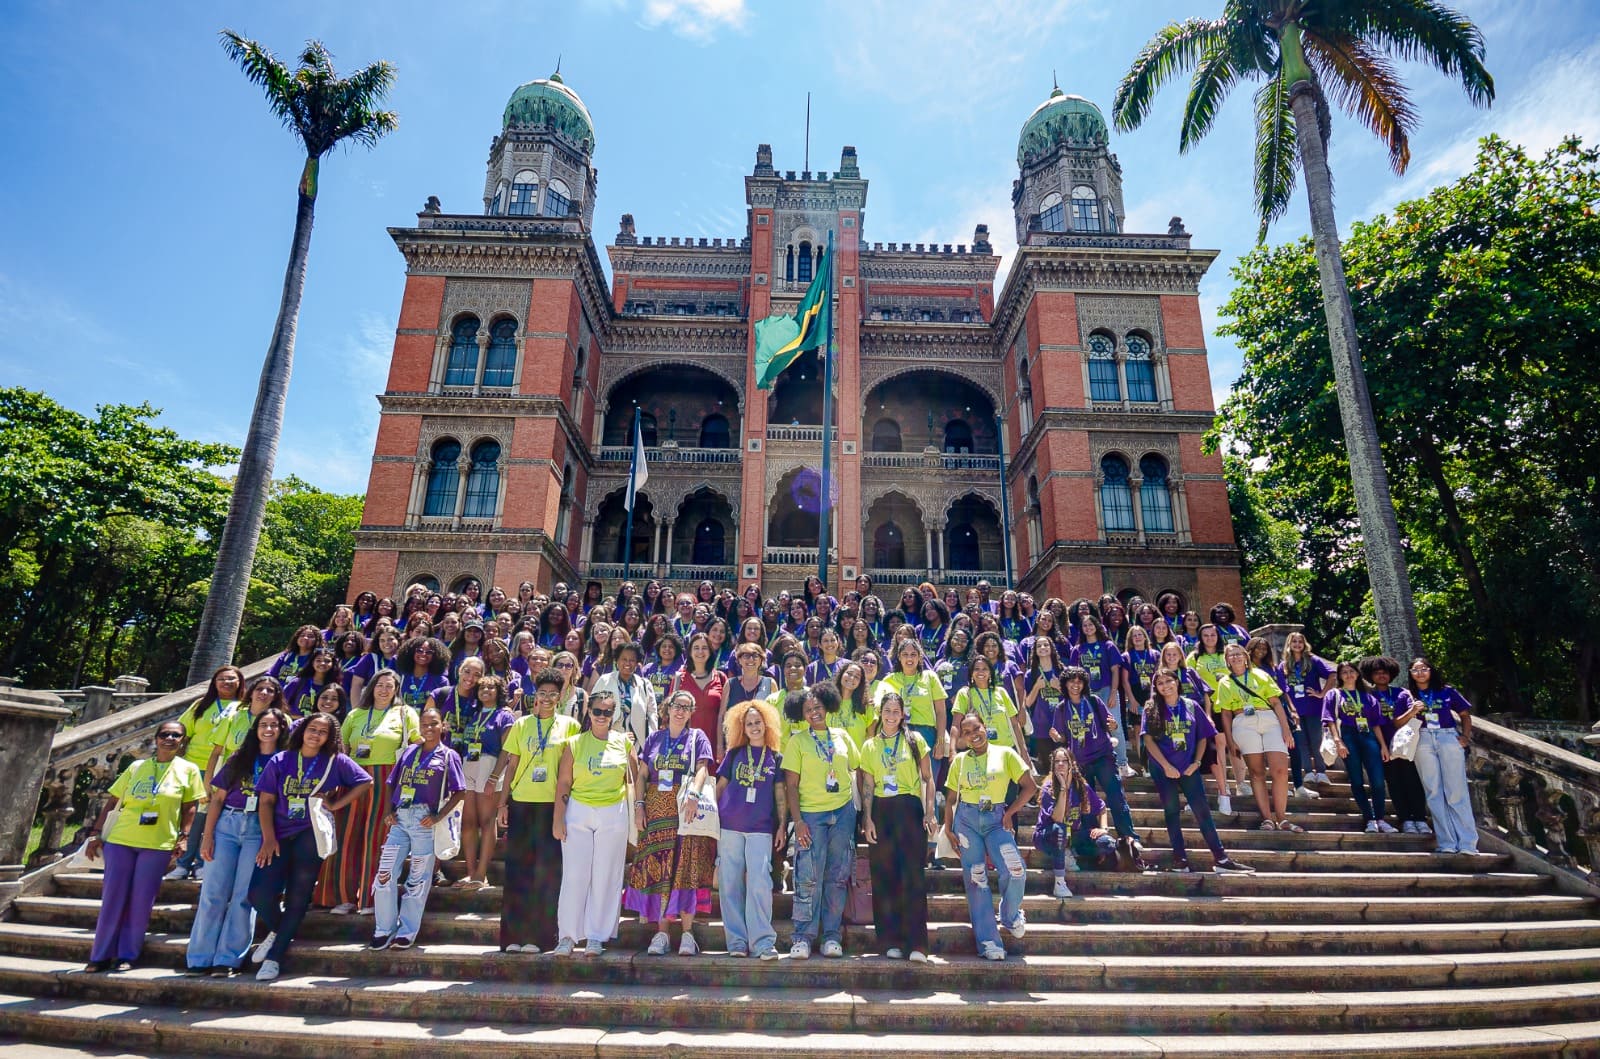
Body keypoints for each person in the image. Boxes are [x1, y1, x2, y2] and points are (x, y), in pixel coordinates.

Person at [247, 713, 371, 981]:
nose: (316, 735)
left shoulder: (335, 761)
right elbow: (266, 801)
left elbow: (365, 781)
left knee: (298, 898)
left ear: (330, 737)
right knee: (258, 893)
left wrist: (336, 805)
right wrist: (268, 839)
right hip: (278, 833)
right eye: (312, 729)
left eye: (322, 732)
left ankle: (275, 957)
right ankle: (279, 930)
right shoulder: (281, 759)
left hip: (311, 832)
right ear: (302, 730)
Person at [79, 720, 207, 972]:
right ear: (156, 738)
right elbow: (113, 801)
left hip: (158, 842)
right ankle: (100, 954)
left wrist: (183, 837)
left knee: (141, 901)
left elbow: (190, 807)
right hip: (121, 839)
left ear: (183, 741)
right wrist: (95, 833)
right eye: (165, 734)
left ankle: (127, 954)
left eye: (176, 735)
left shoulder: (189, 769)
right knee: (112, 898)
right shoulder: (137, 766)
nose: (170, 738)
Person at [186, 707, 289, 975]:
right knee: (213, 893)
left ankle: (228, 958)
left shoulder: (286, 761)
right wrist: (207, 837)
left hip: (259, 827)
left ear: (281, 730)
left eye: (274, 725)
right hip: (228, 825)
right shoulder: (240, 758)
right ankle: (199, 957)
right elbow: (217, 799)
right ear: (255, 730)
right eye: (263, 724)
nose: (268, 730)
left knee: (244, 895)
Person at [493, 668, 581, 953]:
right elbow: (512, 766)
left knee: (547, 873)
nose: (546, 699)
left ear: (561, 696)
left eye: (552, 694)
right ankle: (513, 937)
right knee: (518, 872)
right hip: (521, 805)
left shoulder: (570, 726)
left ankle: (541, 937)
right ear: (535, 694)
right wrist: (502, 803)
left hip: (551, 808)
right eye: (542, 693)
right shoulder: (521, 725)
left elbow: (570, 772)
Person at [322, 670, 421, 914]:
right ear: (371, 688)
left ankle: (370, 898)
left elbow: (416, 744)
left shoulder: (405, 713)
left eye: (390, 686)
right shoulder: (355, 714)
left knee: (377, 838)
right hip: (353, 778)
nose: (384, 690)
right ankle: (344, 897)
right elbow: (341, 746)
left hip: (387, 778)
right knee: (347, 836)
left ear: (396, 690)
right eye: (379, 685)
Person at [626, 690, 717, 955]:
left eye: (686, 707)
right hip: (655, 814)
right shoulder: (655, 737)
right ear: (667, 708)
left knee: (685, 867)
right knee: (660, 870)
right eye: (676, 705)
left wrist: (694, 795)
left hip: (685, 812)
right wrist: (639, 806)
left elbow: (703, 768)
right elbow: (643, 775)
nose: (680, 711)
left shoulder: (697, 737)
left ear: (691, 712)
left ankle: (688, 934)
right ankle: (662, 933)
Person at [370, 706, 467, 950]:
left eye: (434, 723)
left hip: (425, 819)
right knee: (385, 874)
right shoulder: (409, 751)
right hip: (400, 819)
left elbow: (460, 791)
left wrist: (438, 817)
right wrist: (389, 811)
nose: (429, 728)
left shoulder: (448, 755)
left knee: (418, 879)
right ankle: (384, 928)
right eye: (425, 724)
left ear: (443, 725)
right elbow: (393, 782)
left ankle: (407, 930)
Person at [943, 713, 1037, 961]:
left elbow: (1030, 787)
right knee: (977, 879)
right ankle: (988, 942)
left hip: (997, 819)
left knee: (1016, 869)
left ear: (985, 727)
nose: (974, 734)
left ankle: (1010, 914)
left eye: (977, 728)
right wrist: (949, 829)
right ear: (962, 737)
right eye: (967, 731)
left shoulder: (1005, 753)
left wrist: (1011, 812)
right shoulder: (960, 761)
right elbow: (951, 799)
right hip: (967, 821)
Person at [1142, 671, 1255, 874]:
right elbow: (1148, 739)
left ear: (1177, 682)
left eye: (1169, 680)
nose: (1165, 685)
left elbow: (1203, 737)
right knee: (1172, 812)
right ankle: (1180, 860)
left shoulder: (1191, 705)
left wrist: (1196, 762)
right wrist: (1166, 766)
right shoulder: (1151, 708)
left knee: (1202, 811)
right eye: (1160, 683)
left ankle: (1220, 858)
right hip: (1163, 768)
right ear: (1156, 687)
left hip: (1188, 767)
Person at [553, 690, 639, 956]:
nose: (602, 716)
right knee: (575, 875)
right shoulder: (575, 743)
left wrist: (637, 811)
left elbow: (635, 778)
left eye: (607, 712)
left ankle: (596, 936)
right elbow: (564, 782)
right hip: (578, 811)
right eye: (597, 711)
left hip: (614, 811)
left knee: (606, 875)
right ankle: (567, 935)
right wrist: (558, 818)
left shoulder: (624, 743)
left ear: (614, 715)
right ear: (589, 712)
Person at [783, 688, 861, 960]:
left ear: (827, 706)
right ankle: (803, 936)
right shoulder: (797, 741)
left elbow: (856, 768)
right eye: (807, 710)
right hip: (812, 816)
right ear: (801, 715)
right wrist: (798, 821)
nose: (814, 712)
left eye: (818, 707)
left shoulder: (842, 736)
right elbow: (791, 786)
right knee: (807, 877)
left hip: (842, 813)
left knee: (837, 877)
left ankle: (831, 936)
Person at [857, 692, 935, 962]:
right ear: (880, 713)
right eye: (887, 711)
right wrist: (867, 818)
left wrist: (929, 811)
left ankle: (917, 944)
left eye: (895, 711)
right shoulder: (870, 746)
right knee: (884, 877)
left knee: (912, 877)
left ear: (903, 714)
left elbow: (928, 778)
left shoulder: (915, 740)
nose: (891, 716)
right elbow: (867, 784)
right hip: (881, 810)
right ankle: (890, 940)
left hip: (909, 810)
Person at [715, 699, 787, 960]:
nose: (754, 727)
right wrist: (713, 822)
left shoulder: (776, 757)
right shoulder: (734, 754)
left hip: (760, 828)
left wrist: (781, 825)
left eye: (758, 722)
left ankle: (763, 943)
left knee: (759, 883)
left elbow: (780, 795)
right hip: (730, 826)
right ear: (741, 728)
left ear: (766, 724)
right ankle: (736, 942)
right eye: (749, 723)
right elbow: (719, 787)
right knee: (729, 884)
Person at [1051, 666, 1141, 869]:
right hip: (1079, 762)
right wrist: (1057, 737)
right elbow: (1062, 737)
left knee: (1116, 796)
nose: (1075, 685)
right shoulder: (1061, 708)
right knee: (1086, 804)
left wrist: (1114, 727)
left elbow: (1110, 724)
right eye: (1071, 681)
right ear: (1065, 684)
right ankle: (1095, 843)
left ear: (1084, 684)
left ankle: (1129, 836)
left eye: (1079, 681)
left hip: (1102, 756)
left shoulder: (1093, 701)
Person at [435, 664, 515, 889]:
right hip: (468, 766)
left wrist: (494, 777)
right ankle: (470, 873)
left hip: (490, 767)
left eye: (491, 688)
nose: (485, 692)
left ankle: (482, 874)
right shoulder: (473, 713)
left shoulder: (504, 715)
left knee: (487, 821)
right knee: (468, 822)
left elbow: (507, 751)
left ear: (499, 692)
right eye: (482, 689)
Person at [1212, 643, 1299, 833]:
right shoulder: (1224, 682)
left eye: (1238, 654)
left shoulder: (1260, 674)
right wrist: (1230, 739)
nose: (1235, 657)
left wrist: (1286, 729)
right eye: (1230, 655)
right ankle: (1267, 818)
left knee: (1280, 770)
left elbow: (1276, 703)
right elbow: (1225, 714)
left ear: (1245, 656)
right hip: (1243, 721)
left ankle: (1282, 817)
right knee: (1257, 772)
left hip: (1268, 718)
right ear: (1226, 660)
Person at [170, 665, 245, 881]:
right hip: (192, 767)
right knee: (191, 817)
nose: (226, 682)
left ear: (240, 682)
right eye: (222, 679)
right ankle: (182, 863)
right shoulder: (201, 705)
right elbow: (182, 731)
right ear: (214, 682)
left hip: (221, 768)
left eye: (232, 679)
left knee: (211, 818)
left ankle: (202, 862)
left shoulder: (242, 708)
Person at [1402, 657, 1478, 854]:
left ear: (1431, 670)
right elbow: (1396, 723)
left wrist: (1465, 737)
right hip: (1423, 738)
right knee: (1433, 791)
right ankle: (1447, 843)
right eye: (1415, 670)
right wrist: (1411, 712)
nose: (1420, 673)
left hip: (1447, 736)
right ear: (1410, 674)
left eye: (1423, 669)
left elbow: (1464, 714)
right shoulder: (1407, 695)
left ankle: (1468, 843)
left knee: (1457, 790)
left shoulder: (1446, 690)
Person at [1323, 662, 1395, 833]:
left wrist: (1383, 746)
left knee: (1377, 780)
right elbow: (1330, 720)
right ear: (1340, 676)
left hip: (1368, 735)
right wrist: (1338, 741)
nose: (1348, 674)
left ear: (1357, 674)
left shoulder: (1368, 696)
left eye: (1352, 671)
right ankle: (1369, 818)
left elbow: (1376, 723)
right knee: (1356, 780)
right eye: (1344, 672)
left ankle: (1380, 818)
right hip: (1348, 736)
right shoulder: (1334, 694)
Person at [1363, 656, 1430, 835]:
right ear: (1371, 676)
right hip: (1382, 746)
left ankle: (1420, 818)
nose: (1381, 676)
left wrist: (1408, 714)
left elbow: (1415, 713)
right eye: (1377, 673)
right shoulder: (1368, 696)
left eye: (1385, 672)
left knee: (1413, 781)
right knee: (1394, 783)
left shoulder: (1402, 693)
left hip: (1405, 745)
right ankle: (1405, 819)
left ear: (1391, 674)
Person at [1282, 631, 1335, 785]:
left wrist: (1322, 693)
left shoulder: (1313, 660)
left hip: (1313, 707)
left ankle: (1321, 771)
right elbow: (1282, 689)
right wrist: (1290, 709)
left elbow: (1332, 674)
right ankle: (1308, 772)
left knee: (1316, 740)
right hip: (1294, 710)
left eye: (1300, 641)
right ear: (1289, 645)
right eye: (1294, 642)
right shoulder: (1284, 665)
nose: (1297, 644)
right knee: (1301, 742)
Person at [672, 633, 728, 759]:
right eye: (696, 648)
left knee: (710, 778)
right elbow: (671, 712)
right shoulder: (679, 678)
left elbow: (723, 715)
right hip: (683, 743)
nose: (700, 652)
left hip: (713, 742)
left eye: (704, 648)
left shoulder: (721, 677)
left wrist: (720, 745)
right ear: (690, 652)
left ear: (710, 651)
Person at [590, 642, 658, 745]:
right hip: (608, 739)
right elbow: (592, 708)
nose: (627, 663)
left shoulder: (645, 684)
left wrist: (651, 739)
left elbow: (652, 714)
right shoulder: (605, 680)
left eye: (632, 660)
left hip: (637, 742)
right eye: (624, 659)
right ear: (617, 661)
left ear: (637, 663)